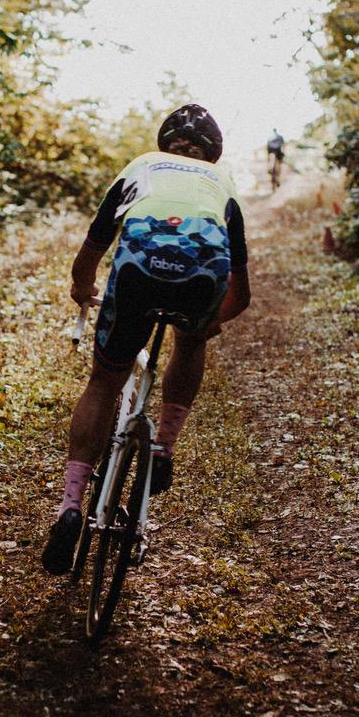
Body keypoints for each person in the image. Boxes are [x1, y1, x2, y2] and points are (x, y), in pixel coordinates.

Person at [41, 104, 252, 575]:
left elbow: (92, 248)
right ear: (212, 153)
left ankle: (72, 505)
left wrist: (82, 288)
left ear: (164, 143)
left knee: (104, 383)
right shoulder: (223, 184)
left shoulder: (141, 166)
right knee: (190, 343)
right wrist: (206, 323)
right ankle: (163, 449)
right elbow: (241, 296)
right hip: (202, 275)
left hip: (136, 271)